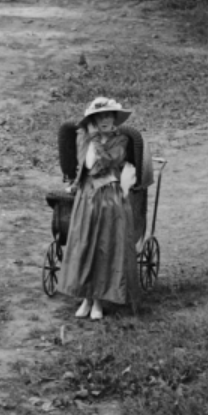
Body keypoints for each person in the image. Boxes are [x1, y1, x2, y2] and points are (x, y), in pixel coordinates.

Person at [54, 96, 150, 320]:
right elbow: (86, 165)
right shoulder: (83, 138)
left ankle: (98, 300)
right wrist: (90, 138)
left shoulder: (120, 141)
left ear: (114, 119)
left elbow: (101, 166)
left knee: (103, 247)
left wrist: (96, 140)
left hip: (110, 197)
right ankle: (86, 298)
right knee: (84, 244)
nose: (106, 120)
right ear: (94, 119)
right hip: (87, 197)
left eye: (109, 116)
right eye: (100, 116)